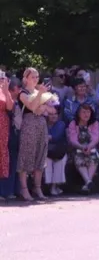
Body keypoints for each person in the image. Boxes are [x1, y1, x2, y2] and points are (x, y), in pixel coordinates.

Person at [17, 68, 58, 201]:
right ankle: (24, 190)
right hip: (29, 125)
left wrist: (45, 107)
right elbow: (32, 106)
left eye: (37, 76)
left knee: (40, 155)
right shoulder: (23, 93)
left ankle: (38, 187)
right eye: (32, 77)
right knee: (26, 155)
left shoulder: (42, 92)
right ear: (26, 78)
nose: (35, 79)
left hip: (41, 124)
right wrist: (40, 95)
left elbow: (53, 110)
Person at [67, 103, 99, 194]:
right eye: (84, 112)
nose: (86, 114)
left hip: (92, 148)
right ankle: (88, 182)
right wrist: (82, 147)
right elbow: (72, 139)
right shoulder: (73, 123)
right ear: (78, 113)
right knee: (79, 158)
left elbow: (96, 137)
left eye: (88, 112)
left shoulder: (95, 123)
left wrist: (89, 147)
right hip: (77, 148)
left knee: (94, 157)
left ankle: (87, 183)